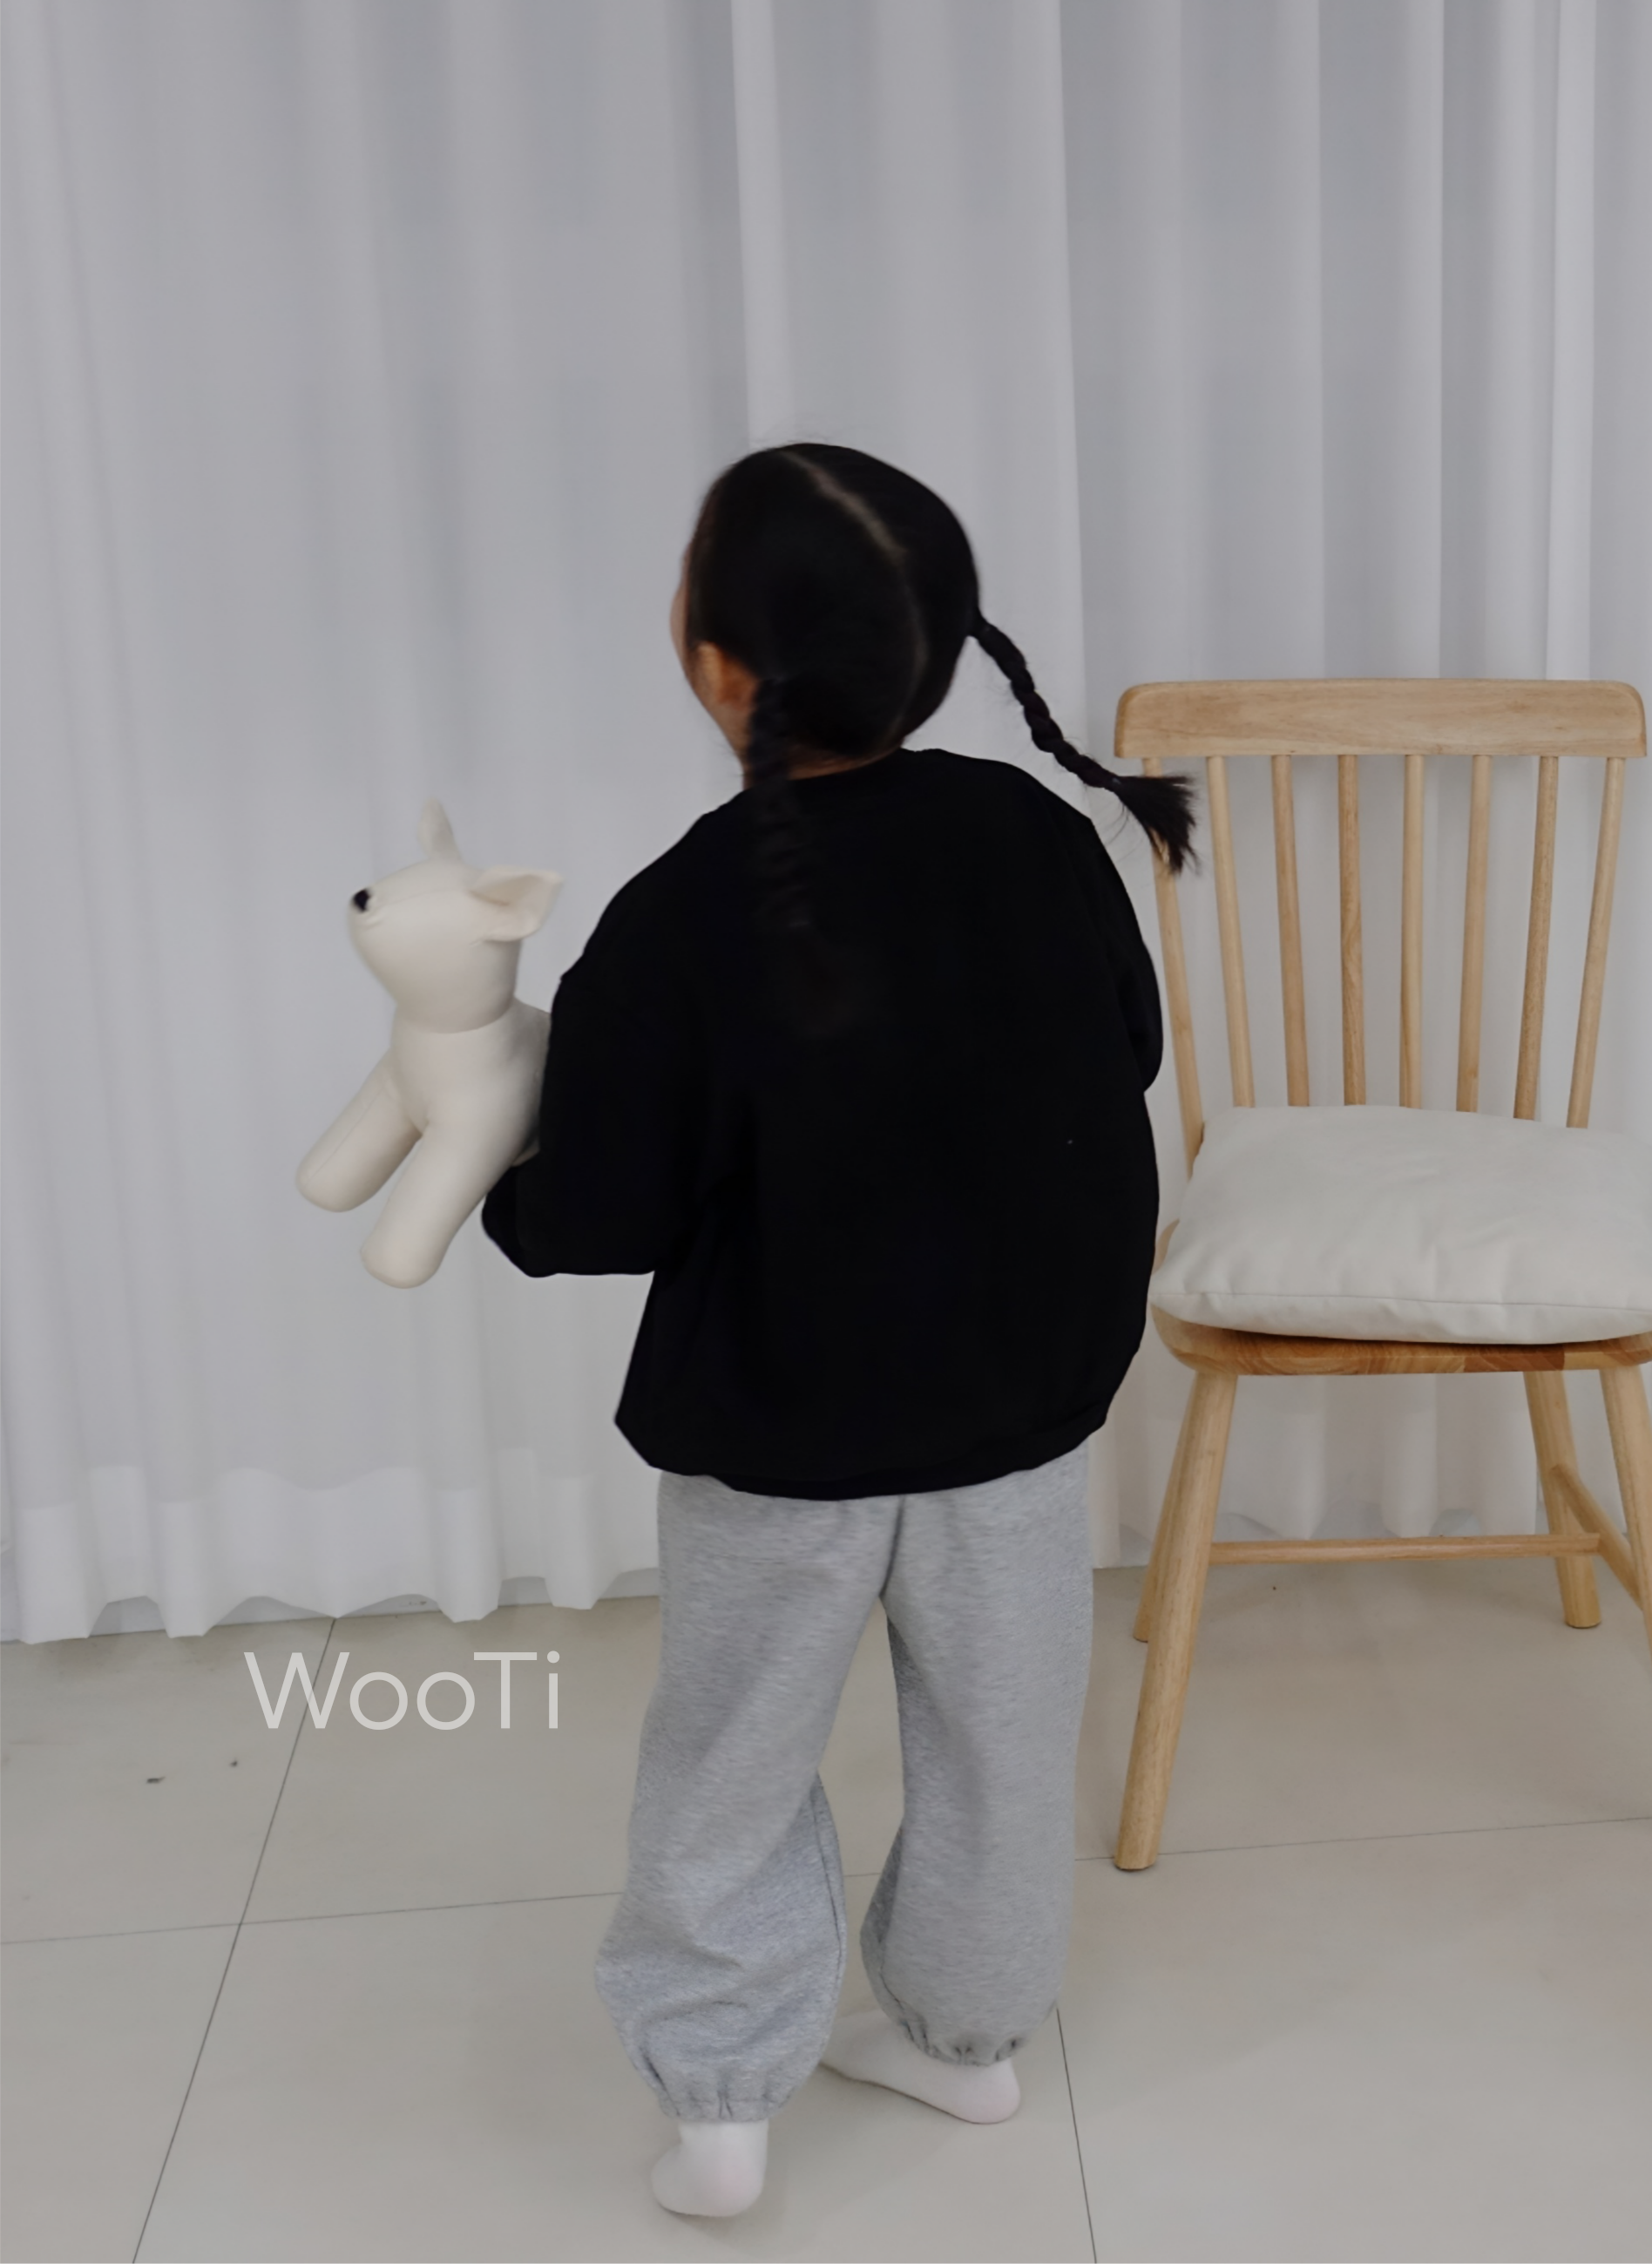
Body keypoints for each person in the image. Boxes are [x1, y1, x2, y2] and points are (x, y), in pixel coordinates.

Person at [482, 444, 1192, 2218]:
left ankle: (722, 2106)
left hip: (778, 1434)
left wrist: (496, 1168)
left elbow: (596, 1215)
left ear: (719, 664)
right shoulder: (1040, 837)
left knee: (730, 1752)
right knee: (1002, 1742)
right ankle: (969, 2039)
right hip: (1016, 1413)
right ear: (939, 648)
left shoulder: (679, 914)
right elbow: (1125, 1053)